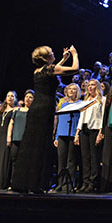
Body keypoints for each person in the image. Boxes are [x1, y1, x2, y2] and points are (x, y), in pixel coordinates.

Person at [11, 45, 79, 193]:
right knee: (41, 144)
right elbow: (75, 68)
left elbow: (52, 70)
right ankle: (36, 184)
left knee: (30, 143)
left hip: (35, 107)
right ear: (46, 57)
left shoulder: (38, 71)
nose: (54, 54)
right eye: (51, 53)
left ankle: (23, 183)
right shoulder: (50, 69)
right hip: (46, 107)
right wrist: (74, 54)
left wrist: (63, 59)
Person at [74, 79, 105, 193]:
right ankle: (85, 182)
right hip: (85, 130)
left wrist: (100, 132)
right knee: (85, 157)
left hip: (95, 129)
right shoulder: (85, 100)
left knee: (94, 157)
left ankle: (93, 182)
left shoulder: (101, 100)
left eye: (93, 85)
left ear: (97, 87)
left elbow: (102, 117)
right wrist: (77, 133)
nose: (90, 87)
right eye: (89, 85)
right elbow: (81, 117)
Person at [52, 83, 80, 192]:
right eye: (70, 89)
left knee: (71, 161)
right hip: (62, 134)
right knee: (61, 161)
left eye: (74, 89)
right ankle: (59, 184)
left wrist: (77, 135)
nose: (71, 91)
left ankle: (67, 185)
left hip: (73, 134)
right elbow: (59, 121)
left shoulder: (80, 104)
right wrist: (56, 137)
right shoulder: (63, 105)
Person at [8, 90, 34, 183]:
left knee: (25, 162)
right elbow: (11, 123)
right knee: (14, 160)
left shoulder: (33, 112)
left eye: (30, 97)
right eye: (27, 97)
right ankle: (13, 181)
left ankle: (24, 182)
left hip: (27, 140)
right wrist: (9, 137)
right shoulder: (17, 110)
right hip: (16, 138)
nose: (28, 99)